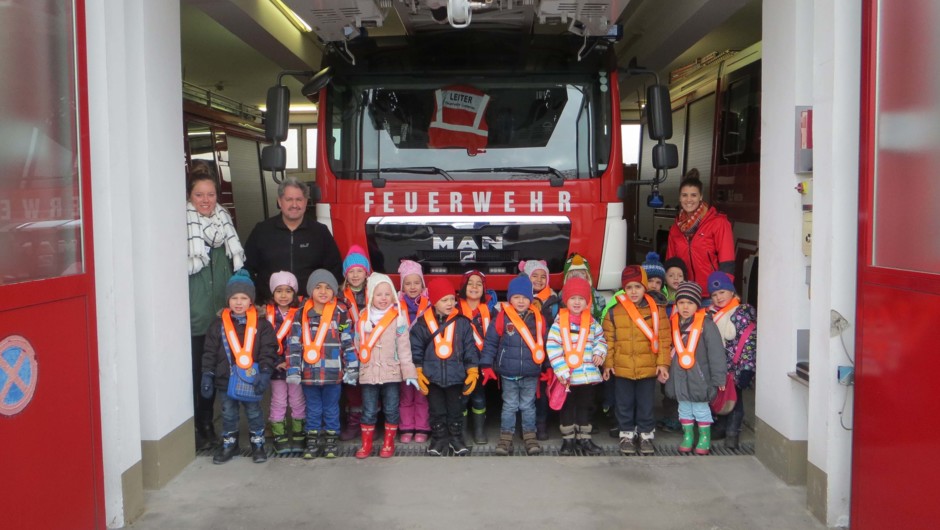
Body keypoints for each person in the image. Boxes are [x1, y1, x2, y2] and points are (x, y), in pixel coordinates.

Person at [186, 161, 245, 450]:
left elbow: (235, 274)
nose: (206, 200)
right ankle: (202, 426)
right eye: (199, 195)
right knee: (199, 374)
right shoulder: (182, 229)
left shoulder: (225, 227)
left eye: (210, 194)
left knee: (221, 373)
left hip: (222, 317)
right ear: (189, 197)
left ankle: (218, 425)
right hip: (195, 318)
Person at [200, 270, 278, 464]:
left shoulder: (262, 325)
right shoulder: (217, 325)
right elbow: (209, 351)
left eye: (244, 297)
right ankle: (230, 444)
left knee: (253, 411)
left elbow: (268, 350)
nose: (239, 302)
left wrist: (266, 372)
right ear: (228, 300)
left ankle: (257, 444)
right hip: (224, 380)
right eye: (234, 297)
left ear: (251, 300)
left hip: (252, 379)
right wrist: (207, 375)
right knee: (228, 412)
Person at [602, 265, 672, 455]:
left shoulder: (657, 310)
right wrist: (608, 363)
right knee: (624, 403)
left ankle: (646, 435)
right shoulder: (614, 311)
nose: (633, 291)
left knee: (645, 403)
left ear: (645, 288)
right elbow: (608, 340)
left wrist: (663, 363)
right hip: (622, 367)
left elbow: (665, 338)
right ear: (624, 288)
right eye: (629, 287)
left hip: (647, 367)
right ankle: (626, 434)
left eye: (638, 287)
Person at [243, 177, 342, 303]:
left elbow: (334, 271)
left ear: (306, 202)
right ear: (279, 201)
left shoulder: (320, 232)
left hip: (310, 307)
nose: (294, 205)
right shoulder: (262, 231)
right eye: (289, 199)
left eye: (299, 199)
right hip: (269, 307)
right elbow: (247, 269)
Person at [411, 278, 479, 456]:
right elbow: (416, 349)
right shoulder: (422, 324)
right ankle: (439, 439)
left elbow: (470, 348)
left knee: (456, 411)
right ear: (434, 301)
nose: (450, 303)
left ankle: (456, 439)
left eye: (452, 299)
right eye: (444, 300)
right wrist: (418, 370)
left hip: (456, 377)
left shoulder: (463, 323)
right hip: (432, 378)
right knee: (436, 411)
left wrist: (472, 370)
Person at [480, 274, 547, 456]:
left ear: (531, 299)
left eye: (525, 297)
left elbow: (546, 343)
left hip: (531, 372)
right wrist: (486, 364)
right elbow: (491, 343)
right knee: (509, 405)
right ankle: (506, 438)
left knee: (528, 405)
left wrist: (547, 367)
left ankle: (530, 436)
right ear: (510, 298)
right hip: (508, 372)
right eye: (516, 297)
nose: (521, 301)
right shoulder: (502, 318)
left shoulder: (538, 319)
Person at [295, 269, 357, 460]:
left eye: (328, 288)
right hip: (308, 372)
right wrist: (293, 368)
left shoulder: (340, 313)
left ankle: (331, 439)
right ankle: (312, 440)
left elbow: (347, 339)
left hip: (333, 373)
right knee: (313, 408)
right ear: (310, 290)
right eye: (318, 287)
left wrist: (352, 365)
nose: (323, 291)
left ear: (334, 291)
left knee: (331, 407)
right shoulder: (301, 313)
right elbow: (294, 342)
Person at [355, 273, 419, 459]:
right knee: (368, 410)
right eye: (379, 294)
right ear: (370, 296)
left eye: (387, 294)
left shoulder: (398, 318)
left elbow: (404, 348)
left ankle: (388, 443)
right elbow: (357, 343)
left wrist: (409, 372)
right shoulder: (363, 318)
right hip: (369, 373)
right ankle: (366, 444)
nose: (383, 299)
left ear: (393, 296)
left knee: (391, 408)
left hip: (391, 372)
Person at [546, 277, 608, 456]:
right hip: (568, 377)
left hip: (587, 376)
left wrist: (599, 353)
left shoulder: (592, 322)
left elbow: (601, 340)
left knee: (585, 407)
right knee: (567, 409)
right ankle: (568, 440)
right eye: (573, 298)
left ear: (587, 301)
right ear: (566, 300)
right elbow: (553, 346)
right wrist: (561, 370)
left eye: (581, 298)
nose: (577, 302)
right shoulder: (559, 323)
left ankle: (584, 439)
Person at [664, 282, 727, 455]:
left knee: (700, 407)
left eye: (690, 303)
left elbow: (716, 353)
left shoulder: (706, 324)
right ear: (676, 304)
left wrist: (719, 378)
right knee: (683, 406)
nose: (685, 307)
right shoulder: (673, 323)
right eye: (681, 302)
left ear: (697, 305)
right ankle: (688, 436)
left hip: (700, 376)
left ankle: (704, 437)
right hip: (679, 375)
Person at [706, 271, 757, 449]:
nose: (719, 297)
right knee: (720, 399)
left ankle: (732, 433)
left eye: (722, 292)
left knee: (736, 401)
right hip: (719, 368)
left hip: (736, 366)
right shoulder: (710, 314)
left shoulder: (742, 313)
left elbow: (748, 341)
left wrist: (747, 368)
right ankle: (721, 426)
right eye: (714, 294)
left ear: (732, 292)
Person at [666, 170, 735, 292]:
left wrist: (724, 291)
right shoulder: (675, 228)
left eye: (693, 195)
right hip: (685, 294)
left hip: (711, 293)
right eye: (684, 195)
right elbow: (671, 264)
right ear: (679, 198)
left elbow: (727, 262)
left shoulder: (718, 223)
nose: (689, 200)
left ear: (701, 197)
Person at [263, 271, 305, 455]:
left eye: (288, 291)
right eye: (279, 291)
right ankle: (279, 436)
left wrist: (293, 361)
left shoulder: (302, 312)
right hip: (276, 367)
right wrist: (276, 362)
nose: (283, 295)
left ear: (294, 293)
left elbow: (307, 340)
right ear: (273, 293)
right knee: (278, 401)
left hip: (296, 365)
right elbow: (263, 342)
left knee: (297, 400)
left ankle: (298, 435)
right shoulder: (266, 314)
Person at [456, 269, 498, 445]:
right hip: (460, 363)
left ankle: (479, 430)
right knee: (462, 397)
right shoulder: (455, 309)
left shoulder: (491, 311)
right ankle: (462, 432)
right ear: (464, 287)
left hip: (481, 363)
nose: (474, 287)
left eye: (479, 284)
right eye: (470, 283)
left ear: (484, 289)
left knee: (479, 397)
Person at [396, 260, 432, 443]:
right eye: (407, 283)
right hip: (403, 359)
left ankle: (423, 427)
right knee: (405, 394)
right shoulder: (395, 305)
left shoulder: (429, 305)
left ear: (422, 284)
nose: (412, 287)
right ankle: (406, 427)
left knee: (422, 393)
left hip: (423, 358)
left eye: (417, 283)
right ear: (402, 286)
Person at [339, 245, 371, 442]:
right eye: (352, 271)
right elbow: (338, 323)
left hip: (371, 346)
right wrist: (346, 333)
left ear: (367, 273)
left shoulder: (375, 292)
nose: (356, 275)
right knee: (352, 387)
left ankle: (370, 422)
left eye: (360, 270)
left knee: (370, 387)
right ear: (346, 274)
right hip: (349, 348)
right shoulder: (340, 296)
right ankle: (353, 422)